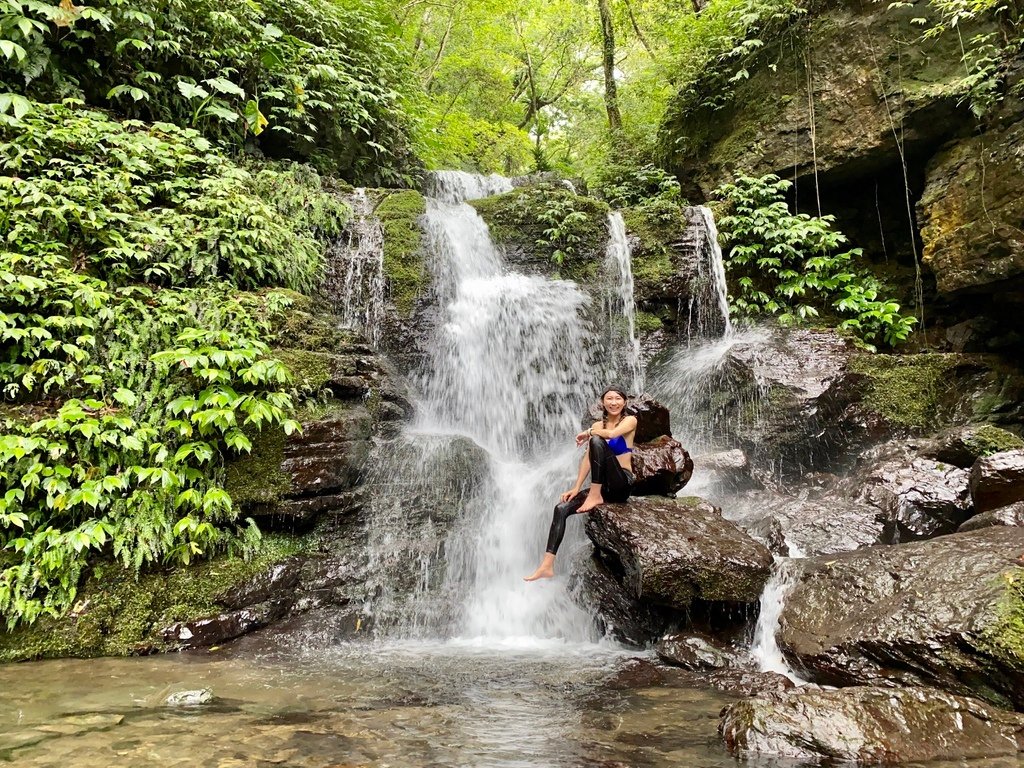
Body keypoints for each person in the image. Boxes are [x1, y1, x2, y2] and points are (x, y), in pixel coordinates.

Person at [524, 387, 637, 581]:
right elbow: (587, 460)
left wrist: (588, 432)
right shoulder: (597, 426)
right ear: (603, 402)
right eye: (609, 398)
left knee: (596, 440)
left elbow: (612, 435)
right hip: (603, 486)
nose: (613, 402)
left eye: (618, 398)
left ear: (624, 402)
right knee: (561, 508)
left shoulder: (630, 420)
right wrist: (576, 488)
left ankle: (595, 495)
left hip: (622, 483)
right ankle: (547, 564)